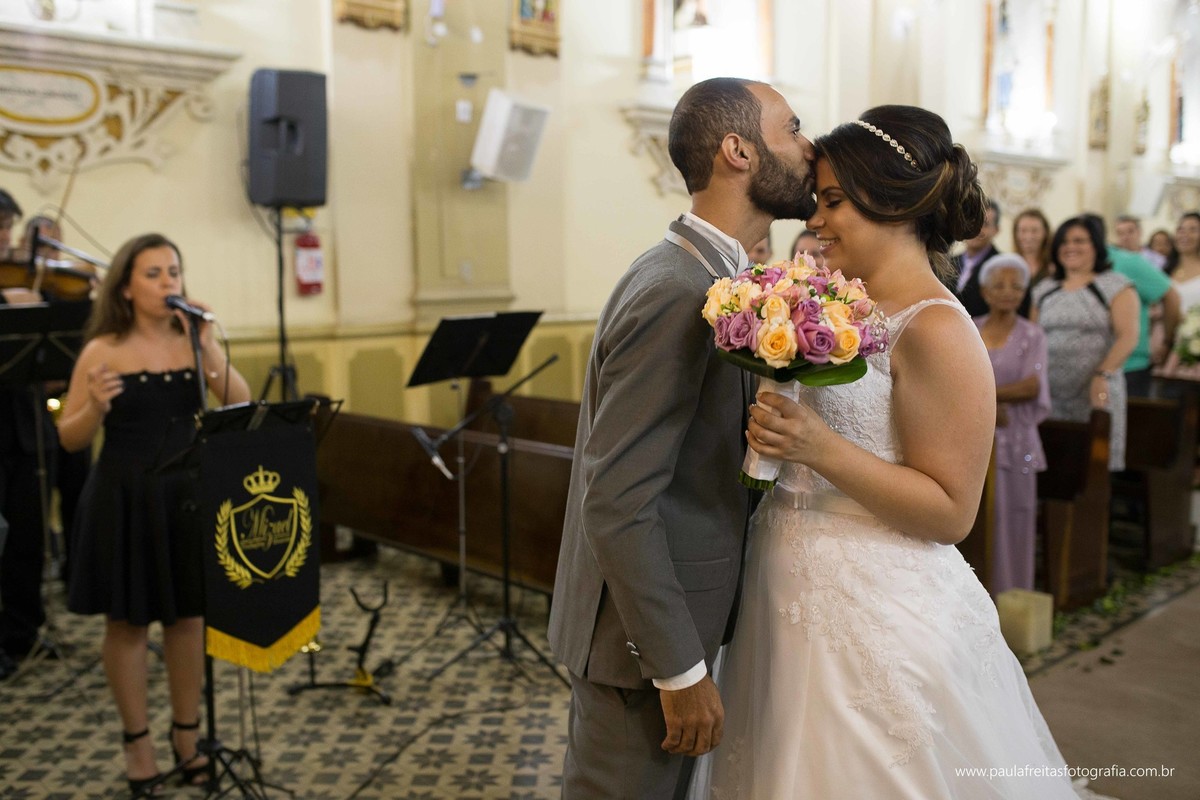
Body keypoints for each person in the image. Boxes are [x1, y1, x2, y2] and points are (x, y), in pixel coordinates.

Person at [699, 105, 1087, 799]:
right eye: (818, 201)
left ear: (894, 202)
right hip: (781, 594)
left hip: (879, 610)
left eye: (833, 201)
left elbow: (950, 513)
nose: (814, 220)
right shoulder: (830, 305)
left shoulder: (938, 328)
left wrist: (819, 449)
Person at [547, 77, 817, 799]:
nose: (808, 146)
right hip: (642, 651)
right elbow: (616, 498)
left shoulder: (719, 277)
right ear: (739, 150)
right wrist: (678, 669)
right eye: (793, 129)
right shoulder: (678, 288)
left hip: (676, 622)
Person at [57, 233, 251, 795]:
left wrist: (209, 346)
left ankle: (187, 736)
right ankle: (137, 743)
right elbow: (69, 439)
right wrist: (94, 406)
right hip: (125, 495)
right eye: (154, 274)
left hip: (186, 494)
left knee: (188, 619)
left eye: (175, 271)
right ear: (125, 287)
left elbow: (235, 403)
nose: (169, 283)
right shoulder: (102, 350)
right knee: (128, 624)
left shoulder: (192, 342)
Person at [0, 190, 57, 682]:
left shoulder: (27, 283)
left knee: (26, 534)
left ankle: (24, 630)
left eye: (6, 226)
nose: (4, 236)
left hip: (27, 429)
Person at [1031, 217, 1138, 471]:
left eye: (1080, 240)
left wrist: (1103, 373)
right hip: (1051, 394)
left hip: (1095, 391)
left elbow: (1128, 336)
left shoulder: (1116, 286)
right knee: (1055, 471)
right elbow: (1032, 338)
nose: (1071, 247)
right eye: (1064, 242)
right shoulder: (1044, 289)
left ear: (1096, 246)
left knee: (1092, 470)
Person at [975, 253, 1050, 593]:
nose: (1007, 292)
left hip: (1015, 441)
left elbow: (1031, 386)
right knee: (976, 520)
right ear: (985, 290)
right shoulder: (970, 328)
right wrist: (991, 403)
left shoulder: (1032, 336)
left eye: (1016, 286)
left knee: (1014, 519)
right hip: (976, 438)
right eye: (999, 285)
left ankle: (1013, 598)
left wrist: (988, 397)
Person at [1083, 213, 1178, 398]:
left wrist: (1168, 341)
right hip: (1085, 366)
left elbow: (1171, 296)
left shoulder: (1127, 262)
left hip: (1129, 366)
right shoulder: (1073, 266)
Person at [947, 196, 1001, 317]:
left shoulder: (1001, 267)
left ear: (996, 230)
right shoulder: (947, 262)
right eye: (973, 221)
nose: (977, 229)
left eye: (985, 224)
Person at [1011, 207, 1052, 316]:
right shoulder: (1009, 266)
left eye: (1035, 231)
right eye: (1023, 231)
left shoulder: (1054, 267)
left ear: (1045, 233)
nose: (1028, 236)